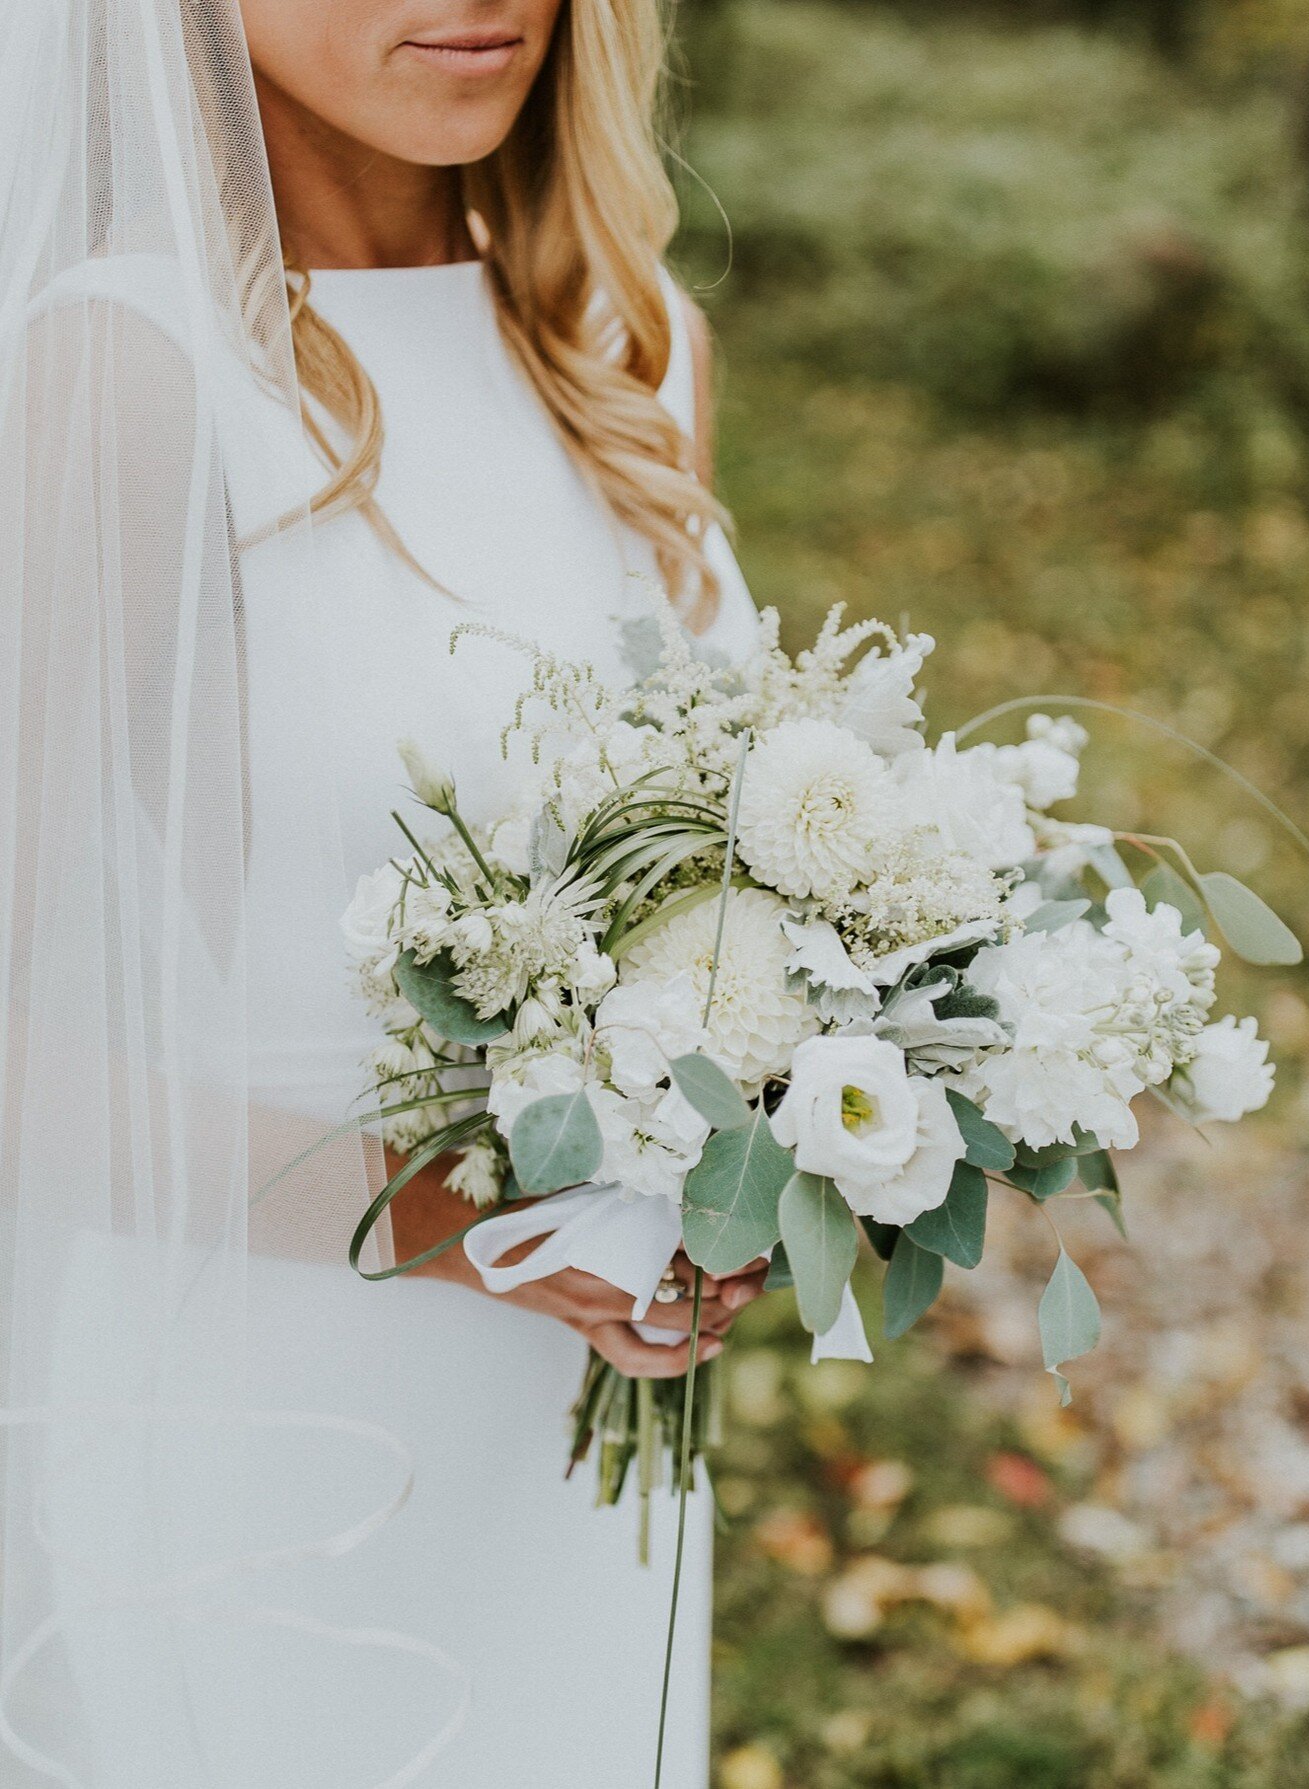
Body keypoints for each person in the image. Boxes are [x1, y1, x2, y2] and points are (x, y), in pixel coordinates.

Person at [0, 1, 766, 1782]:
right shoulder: (126, 374)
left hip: (577, 1434)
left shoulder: (629, 345)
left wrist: (792, 1136)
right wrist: (476, 1224)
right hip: (277, 1435)